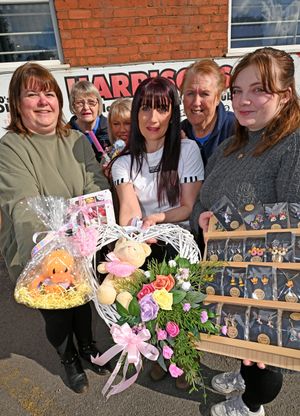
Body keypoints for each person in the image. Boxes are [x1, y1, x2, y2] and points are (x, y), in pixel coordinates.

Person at [191, 47, 300, 416]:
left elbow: (294, 225)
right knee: (244, 352)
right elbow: (204, 200)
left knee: (264, 360)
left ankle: (251, 406)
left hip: (268, 285)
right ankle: (242, 379)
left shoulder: (293, 145)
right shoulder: (232, 142)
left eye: (259, 90)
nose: (244, 100)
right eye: (237, 90)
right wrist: (204, 219)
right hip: (229, 276)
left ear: (285, 94)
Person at [0, 63, 109, 395]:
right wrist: (55, 246)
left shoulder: (75, 138)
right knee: (58, 313)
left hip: (83, 241)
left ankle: (88, 346)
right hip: (42, 251)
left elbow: (95, 181)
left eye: (49, 93)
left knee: (83, 302)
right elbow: (22, 203)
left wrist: (95, 214)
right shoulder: (10, 147)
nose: (43, 101)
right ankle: (69, 357)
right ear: (17, 103)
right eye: (32, 94)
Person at [110, 76, 204, 390]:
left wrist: (158, 219)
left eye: (162, 109)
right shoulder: (123, 163)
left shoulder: (187, 150)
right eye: (146, 109)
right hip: (144, 244)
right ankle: (162, 359)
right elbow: (128, 209)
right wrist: (135, 235)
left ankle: (184, 360)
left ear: (172, 113)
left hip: (179, 242)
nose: (153, 119)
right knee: (148, 307)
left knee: (180, 307)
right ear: (135, 113)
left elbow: (188, 206)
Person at [180, 59, 236, 166]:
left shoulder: (237, 129)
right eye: (190, 93)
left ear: (218, 97)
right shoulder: (177, 133)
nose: (196, 102)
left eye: (204, 94)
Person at [68, 80, 110, 163]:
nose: (86, 107)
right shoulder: (65, 134)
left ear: (99, 104)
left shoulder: (111, 129)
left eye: (91, 102)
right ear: (73, 106)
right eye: (80, 103)